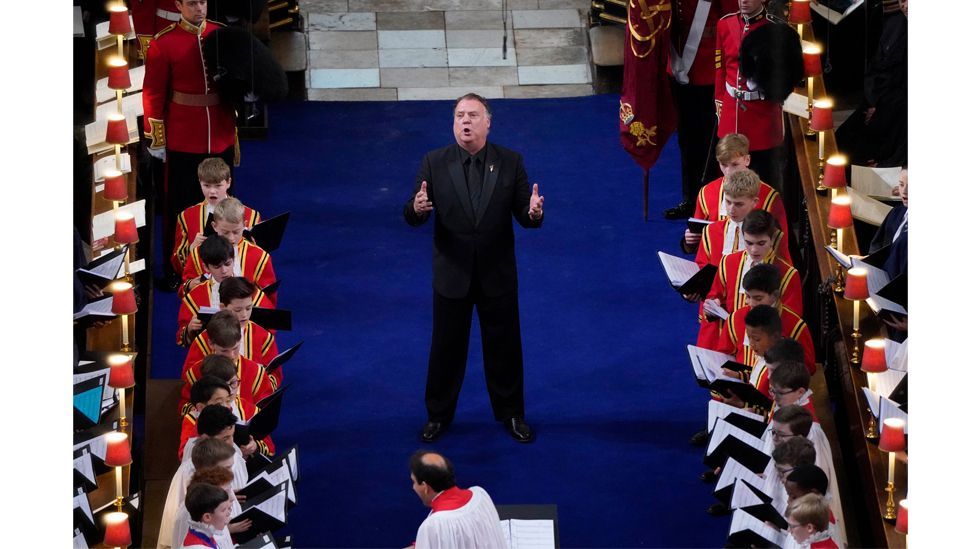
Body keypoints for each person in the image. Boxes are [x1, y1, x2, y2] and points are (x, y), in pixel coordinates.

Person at [403, 93, 544, 443]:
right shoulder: (434, 162)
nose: (465, 122)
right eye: (459, 116)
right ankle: (438, 416)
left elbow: (526, 216)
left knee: (505, 349)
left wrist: (535, 213)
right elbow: (412, 213)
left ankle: (512, 414)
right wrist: (418, 209)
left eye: (472, 115)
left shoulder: (511, 162)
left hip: (497, 274)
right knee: (445, 350)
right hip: (452, 274)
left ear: (487, 122)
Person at [143, 0, 237, 286]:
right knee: (180, 207)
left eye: (203, 2)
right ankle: (177, 267)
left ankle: (226, 260)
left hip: (219, 130)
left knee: (223, 203)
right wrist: (156, 135)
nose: (200, 8)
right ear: (179, 5)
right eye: (193, 3)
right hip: (183, 136)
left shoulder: (221, 34)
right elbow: (153, 93)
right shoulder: (164, 43)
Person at [664, 0, 739, 220]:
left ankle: (713, 202)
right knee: (686, 139)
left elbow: (732, 20)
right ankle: (690, 199)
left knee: (711, 142)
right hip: (678, 68)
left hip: (710, 69)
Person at [697, 211, 799, 349]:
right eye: (749, 243)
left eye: (761, 243)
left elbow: (791, 320)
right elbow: (715, 294)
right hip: (733, 339)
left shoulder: (788, 274)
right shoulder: (728, 262)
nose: (754, 250)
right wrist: (713, 304)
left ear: (773, 239)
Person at [714, 0, 787, 189]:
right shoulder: (724, 24)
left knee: (764, 181)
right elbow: (720, 68)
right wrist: (720, 101)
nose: (743, 1)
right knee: (731, 181)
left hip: (762, 116)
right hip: (732, 112)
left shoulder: (775, 28)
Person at [682, 133, 787, 252]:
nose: (729, 171)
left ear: (747, 160)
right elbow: (700, 239)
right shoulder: (707, 192)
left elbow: (780, 244)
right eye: (724, 165)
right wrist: (690, 241)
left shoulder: (769, 197)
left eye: (735, 164)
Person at [176, 238, 275, 347]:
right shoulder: (196, 296)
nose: (224, 271)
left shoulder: (249, 290)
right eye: (217, 267)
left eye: (227, 264)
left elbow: (270, 326)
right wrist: (190, 329)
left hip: (248, 350)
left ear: (234, 260)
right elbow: (182, 339)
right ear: (206, 267)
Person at [171, 157, 261, 275]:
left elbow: (261, 261)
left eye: (218, 185)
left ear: (228, 182)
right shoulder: (187, 217)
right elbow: (177, 267)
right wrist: (192, 248)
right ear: (200, 182)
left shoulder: (251, 215)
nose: (212, 191)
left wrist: (250, 244)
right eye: (207, 185)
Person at [181, 198, 277, 302]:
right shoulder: (199, 253)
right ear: (214, 226)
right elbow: (184, 291)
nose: (231, 238)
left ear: (245, 225)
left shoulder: (260, 256)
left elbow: (269, 298)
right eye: (225, 232)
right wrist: (190, 285)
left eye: (236, 232)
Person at [180, 310, 277, 414]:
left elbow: (266, 411)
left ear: (240, 340)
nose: (231, 355)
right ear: (211, 344)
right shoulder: (196, 372)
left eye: (235, 348)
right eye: (224, 350)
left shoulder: (256, 373)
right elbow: (185, 405)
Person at [408, 450, 507, 548]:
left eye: (414, 482)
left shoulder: (433, 525)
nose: (413, 487)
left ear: (425, 487)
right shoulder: (480, 495)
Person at [158, 437, 241, 549]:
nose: (232, 498)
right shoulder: (190, 513)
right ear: (210, 470)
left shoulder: (215, 509)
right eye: (227, 468)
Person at [183, 277, 278, 368]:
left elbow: (273, 373)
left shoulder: (264, 337)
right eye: (237, 310)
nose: (245, 315)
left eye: (248, 308)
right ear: (222, 307)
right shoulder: (205, 338)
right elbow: (190, 374)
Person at [171, 466, 247, 549]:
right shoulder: (199, 542)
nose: (233, 498)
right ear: (207, 517)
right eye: (224, 509)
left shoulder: (207, 529)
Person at [178, 377, 235, 459]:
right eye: (219, 403)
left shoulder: (228, 418)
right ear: (201, 407)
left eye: (228, 401)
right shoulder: (193, 423)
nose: (227, 407)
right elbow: (184, 455)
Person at [180, 483, 234, 549]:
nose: (228, 513)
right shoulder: (198, 547)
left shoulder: (200, 533)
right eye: (223, 510)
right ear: (207, 517)